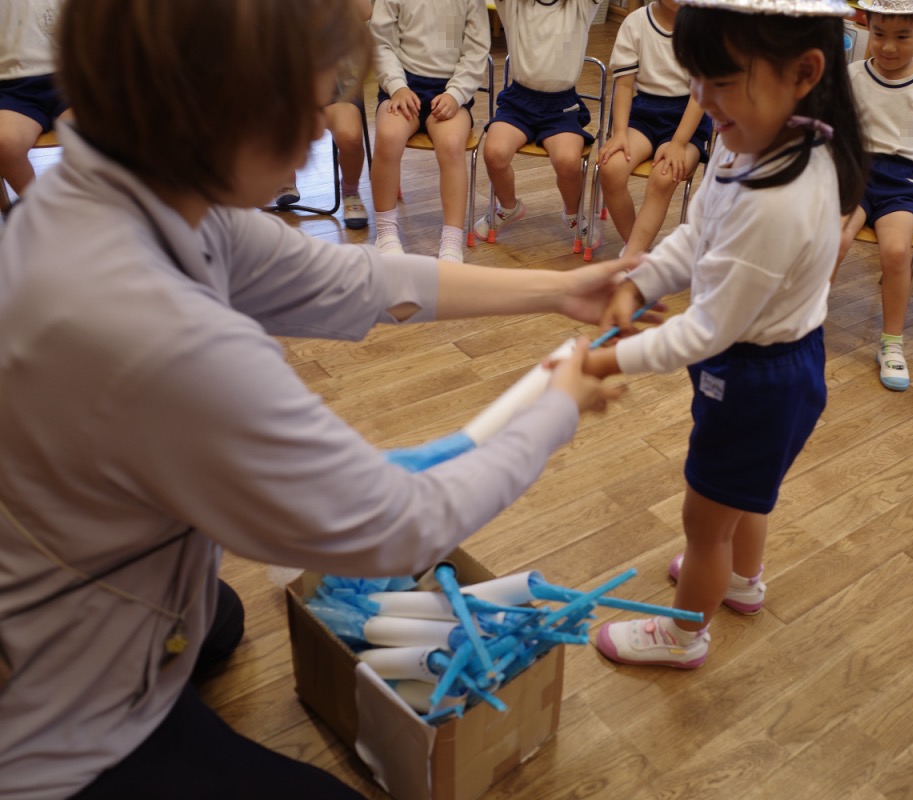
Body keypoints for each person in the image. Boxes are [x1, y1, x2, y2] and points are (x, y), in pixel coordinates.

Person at [0, 1, 633, 797]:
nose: (318, 132)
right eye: (302, 106)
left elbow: (363, 281)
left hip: (82, 560)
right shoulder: (158, 334)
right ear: (215, 105)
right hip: (44, 727)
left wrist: (557, 290)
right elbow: (403, 526)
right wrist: (556, 406)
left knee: (219, 622)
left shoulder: (131, 188)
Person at [583, 0, 867, 669]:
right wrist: (641, 282)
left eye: (721, 81)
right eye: (696, 79)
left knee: (704, 524)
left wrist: (605, 362)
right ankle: (742, 580)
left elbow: (704, 332)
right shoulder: (754, 139)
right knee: (745, 493)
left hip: (755, 376)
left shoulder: (779, 199)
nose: (703, 100)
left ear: (805, 73)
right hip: (762, 366)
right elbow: (698, 233)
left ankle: (683, 637)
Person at [837, 0, 913, 392]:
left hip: (901, 183)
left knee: (897, 251)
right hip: (854, 174)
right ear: (867, 25)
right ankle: (802, 324)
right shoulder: (852, 75)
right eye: (879, 34)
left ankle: (892, 342)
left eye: (902, 37)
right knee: (834, 239)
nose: (887, 47)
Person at [474, 0, 603, 248]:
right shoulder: (515, 5)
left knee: (568, 161)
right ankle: (508, 207)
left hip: (561, 106)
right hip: (519, 102)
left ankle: (573, 214)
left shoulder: (579, 6)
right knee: (494, 153)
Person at [369, 0, 489, 258]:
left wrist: (456, 94)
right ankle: (386, 233)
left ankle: (452, 241)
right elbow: (381, 43)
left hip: (449, 89)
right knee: (388, 136)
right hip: (403, 84)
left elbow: (476, 51)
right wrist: (397, 86)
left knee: (452, 144)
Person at [597, 0, 712, 257]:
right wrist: (620, 133)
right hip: (644, 114)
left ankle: (631, 257)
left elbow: (699, 95)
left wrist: (679, 143)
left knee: (664, 176)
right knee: (611, 168)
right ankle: (636, 251)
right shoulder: (635, 22)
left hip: (687, 121)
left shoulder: (702, 26)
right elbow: (624, 85)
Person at [272, 0, 374, 232]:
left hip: (336, 85)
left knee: (350, 136)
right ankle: (284, 175)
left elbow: (365, 11)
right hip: (287, 84)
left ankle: (350, 191)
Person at [0, 0, 67, 210]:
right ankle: (37, 209)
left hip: (69, 77)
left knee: (93, 136)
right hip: (13, 85)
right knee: (5, 143)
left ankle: (88, 205)